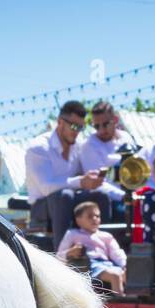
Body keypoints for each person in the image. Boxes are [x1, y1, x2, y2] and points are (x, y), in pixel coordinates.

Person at [24, 100, 114, 248]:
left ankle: (104, 250)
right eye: (73, 126)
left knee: (101, 196)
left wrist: (91, 179)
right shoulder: (38, 148)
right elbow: (46, 187)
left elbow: (82, 178)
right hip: (42, 206)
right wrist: (80, 181)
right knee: (64, 195)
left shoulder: (78, 146)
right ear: (60, 122)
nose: (77, 131)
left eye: (81, 127)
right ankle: (63, 257)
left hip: (69, 200)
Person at [78, 101, 134, 222]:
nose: (101, 130)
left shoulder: (126, 138)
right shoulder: (88, 146)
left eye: (106, 124)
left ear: (115, 119)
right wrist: (125, 196)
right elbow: (98, 183)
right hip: (111, 200)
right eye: (96, 126)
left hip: (131, 194)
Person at [56, 200, 126, 293]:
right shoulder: (72, 234)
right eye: (90, 216)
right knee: (115, 276)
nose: (94, 219)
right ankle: (120, 301)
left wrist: (124, 265)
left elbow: (116, 253)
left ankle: (135, 301)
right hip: (90, 266)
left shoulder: (106, 236)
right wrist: (70, 252)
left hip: (107, 264)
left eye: (97, 216)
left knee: (126, 274)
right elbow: (58, 256)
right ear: (78, 220)